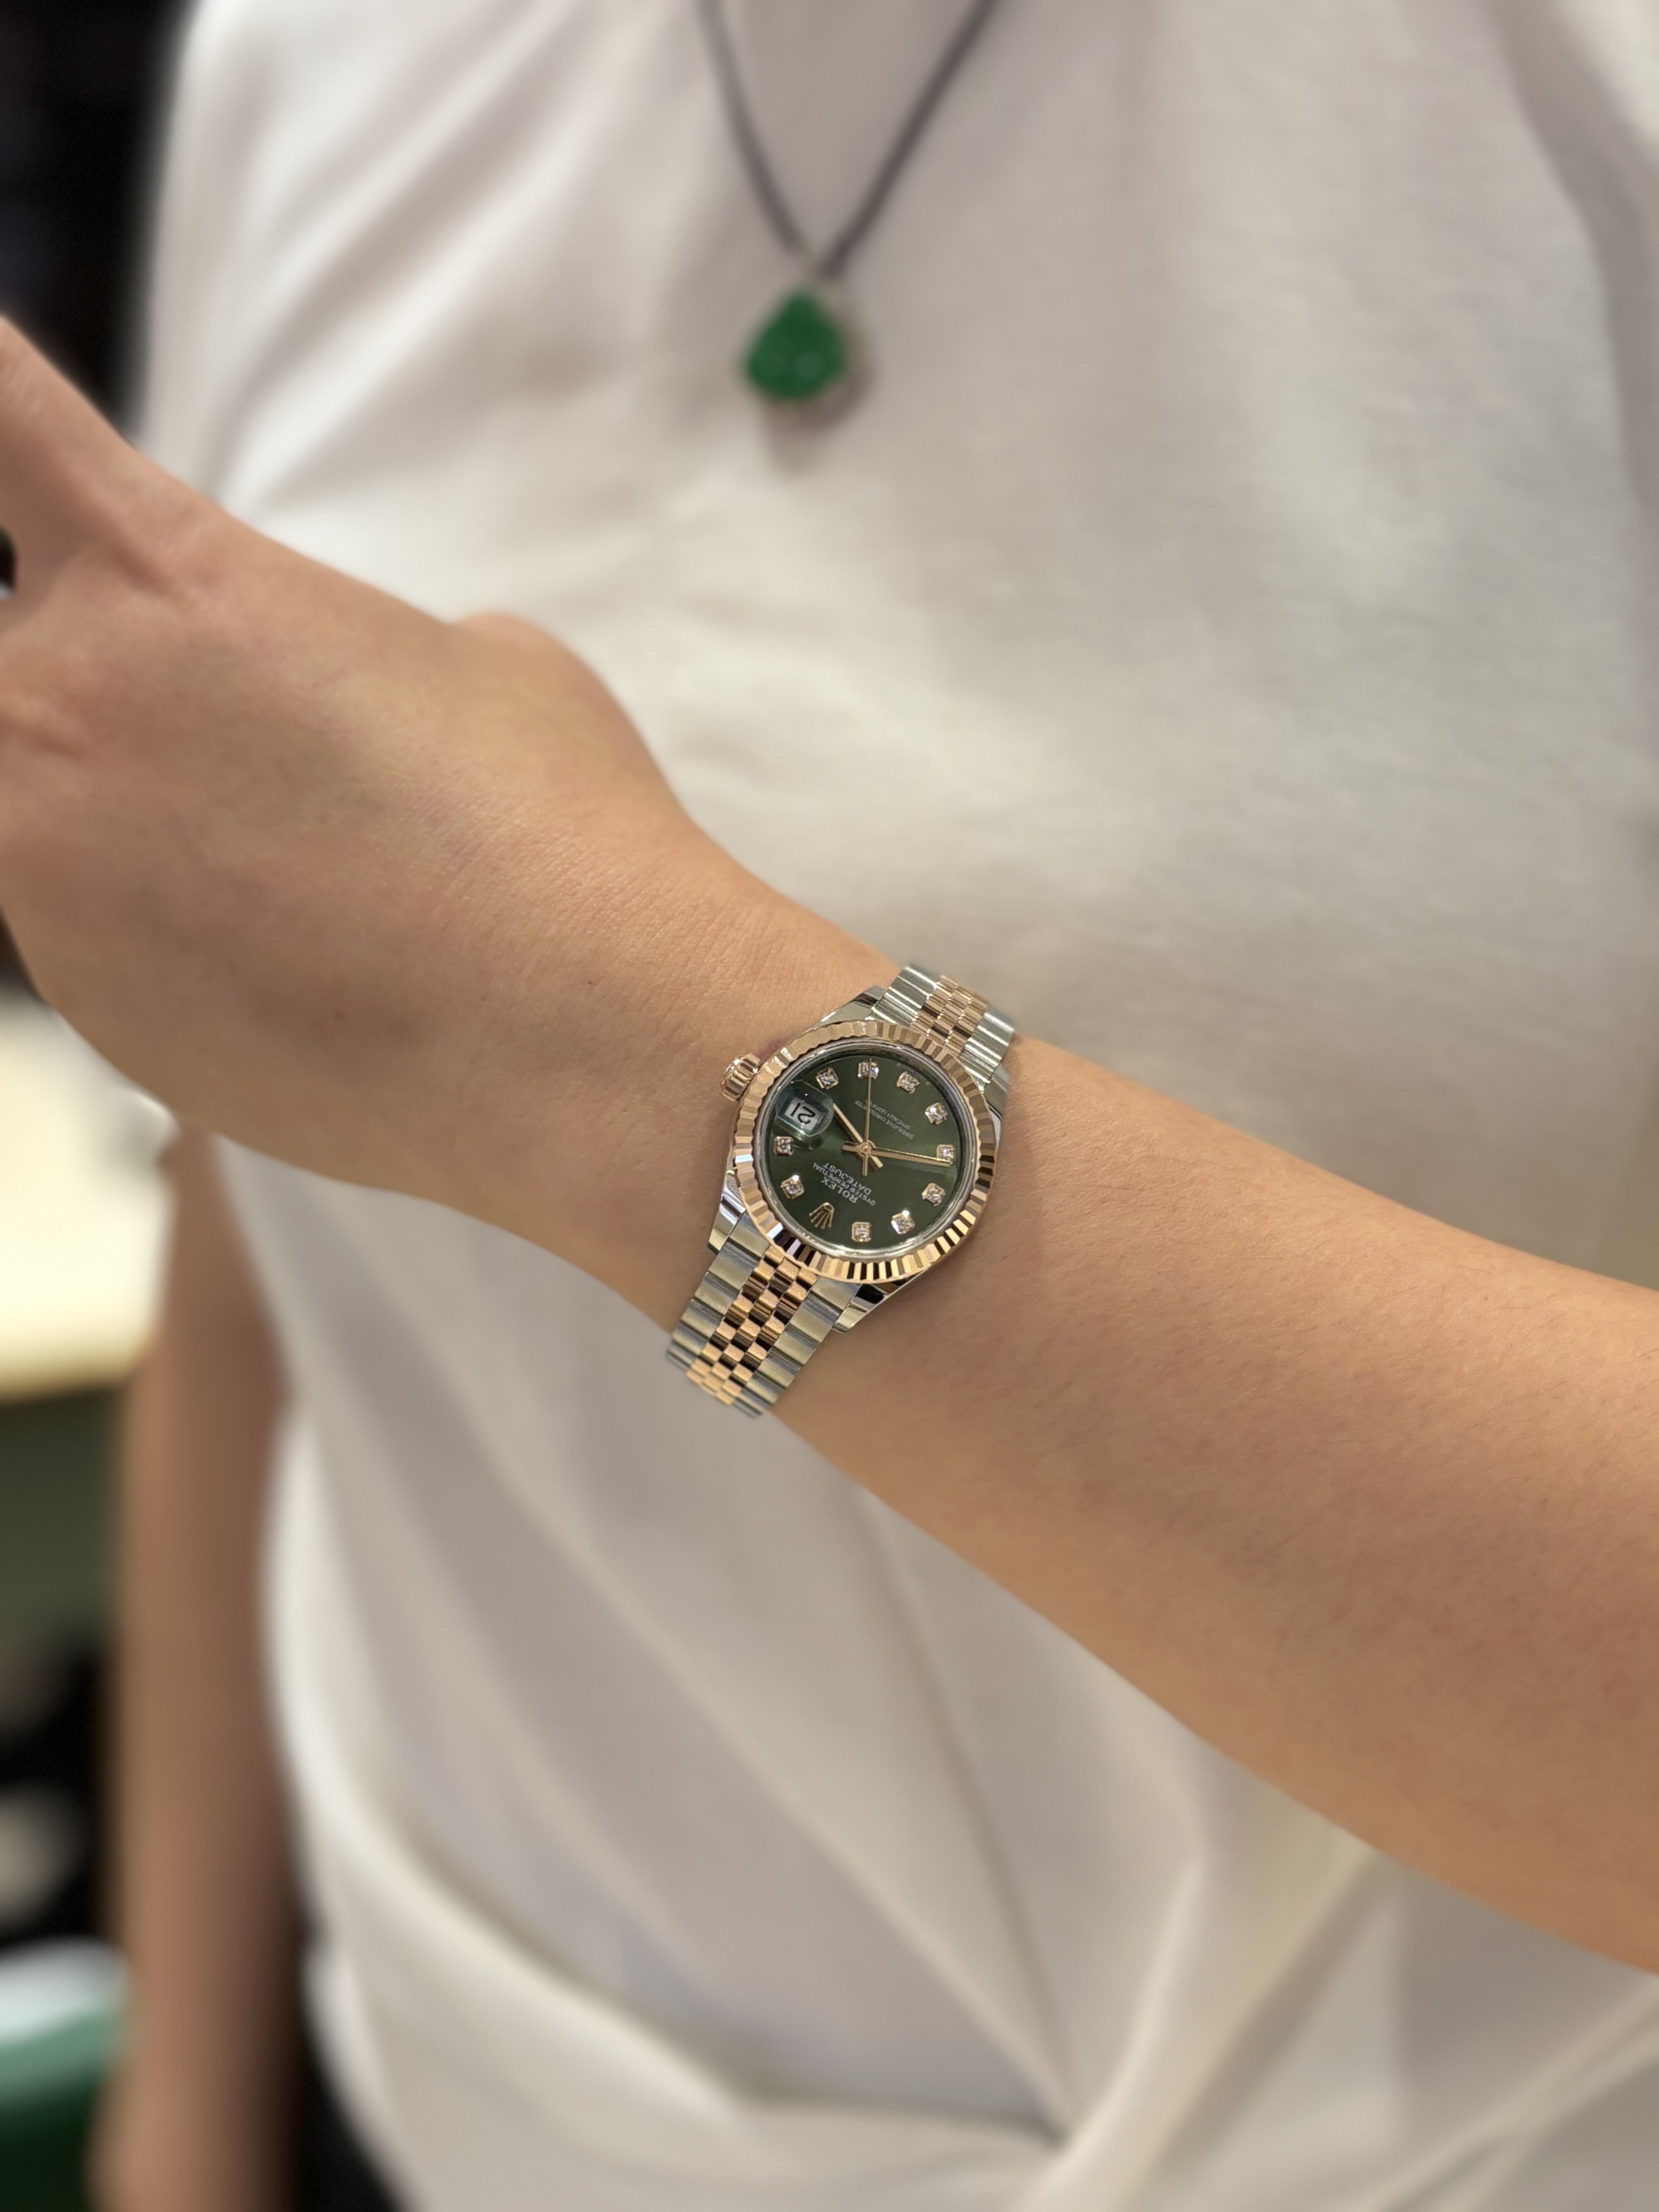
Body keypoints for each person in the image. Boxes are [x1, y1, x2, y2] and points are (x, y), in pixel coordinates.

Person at [2, 0, 1658, 2206]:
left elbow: (415, 1009)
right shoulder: (317, 51)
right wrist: (180, 2120)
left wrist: (578, 1032)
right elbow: (281, 1210)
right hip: (459, 2129)